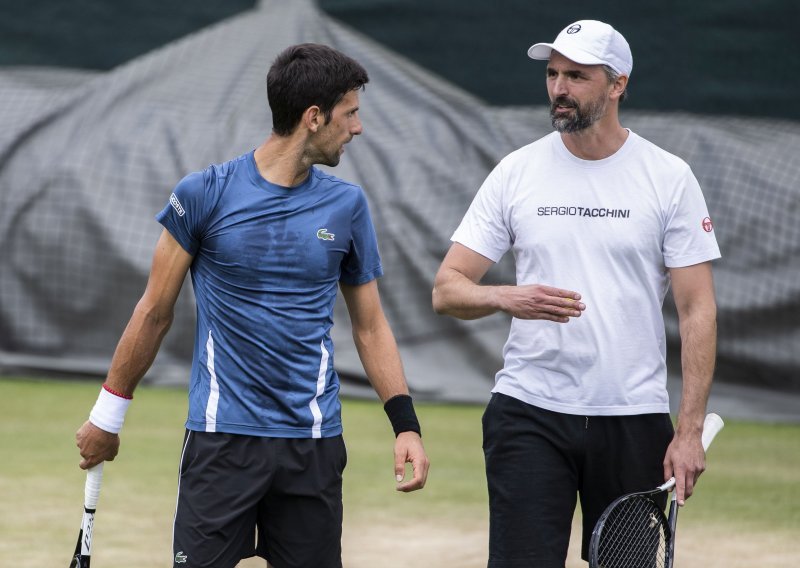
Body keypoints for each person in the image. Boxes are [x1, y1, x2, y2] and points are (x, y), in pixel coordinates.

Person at [76, 43, 429, 568]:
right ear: (314, 118)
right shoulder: (203, 194)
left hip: (313, 445)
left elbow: (371, 327)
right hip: (221, 445)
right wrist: (108, 417)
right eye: (350, 113)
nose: (357, 128)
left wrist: (406, 426)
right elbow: (153, 311)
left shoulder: (348, 206)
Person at [432, 20, 720, 567]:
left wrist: (688, 433)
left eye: (577, 76)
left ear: (617, 85)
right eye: (552, 74)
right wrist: (507, 297)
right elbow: (447, 289)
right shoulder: (517, 171)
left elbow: (697, 306)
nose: (559, 88)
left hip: (634, 420)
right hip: (529, 412)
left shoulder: (669, 177)